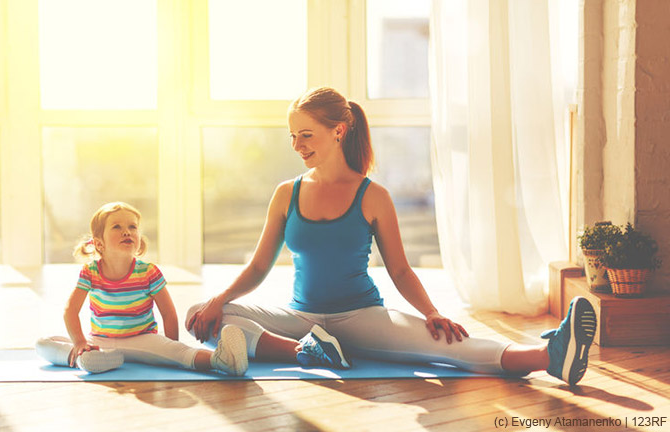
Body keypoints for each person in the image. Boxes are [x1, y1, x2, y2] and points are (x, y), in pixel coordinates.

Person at [186, 87, 597, 385]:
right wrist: (217, 300)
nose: (297, 144)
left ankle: (549, 356)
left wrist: (431, 312)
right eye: (291, 135)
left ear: (339, 131)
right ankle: (308, 352)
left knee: (444, 345)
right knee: (208, 316)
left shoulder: (373, 196)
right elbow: (259, 266)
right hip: (302, 320)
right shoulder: (286, 193)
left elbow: (400, 270)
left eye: (305, 134)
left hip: (362, 316)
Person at [36, 202, 248, 376]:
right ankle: (89, 359)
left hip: (143, 339)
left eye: (132, 227)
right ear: (99, 244)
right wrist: (81, 342)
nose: (127, 232)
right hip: (101, 340)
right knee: (44, 343)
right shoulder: (90, 272)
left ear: (138, 240)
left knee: (181, 352)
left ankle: (223, 360)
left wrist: (170, 347)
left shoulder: (148, 272)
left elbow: (168, 312)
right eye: (117, 227)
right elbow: (70, 311)